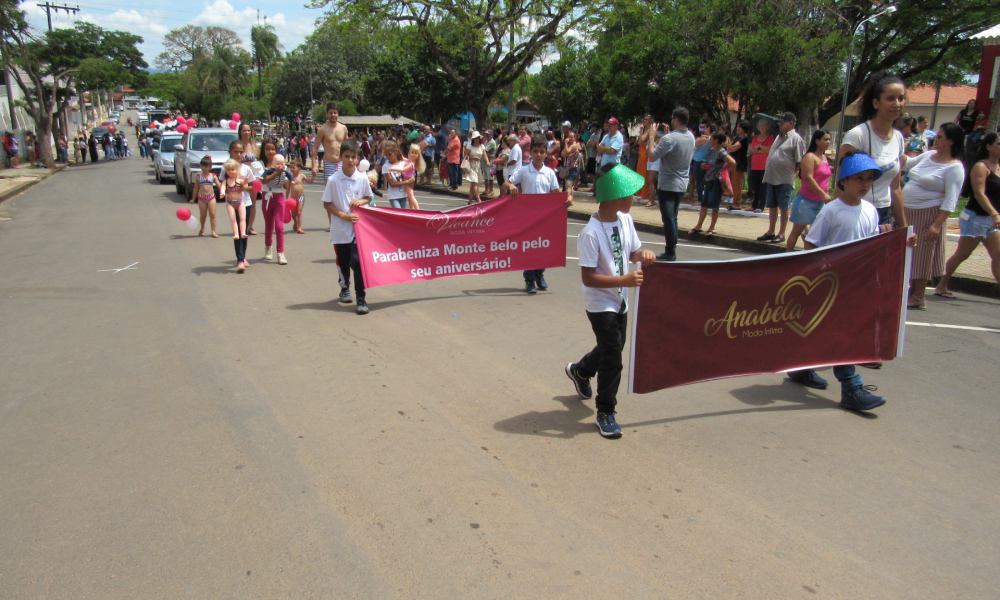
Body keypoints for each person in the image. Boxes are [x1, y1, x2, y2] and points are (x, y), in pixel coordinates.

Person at [785, 151, 917, 411]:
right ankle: (851, 387)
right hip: (830, 284)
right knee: (842, 334)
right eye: (859, 178)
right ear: (843, 181)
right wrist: (817, 277)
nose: (865, 184)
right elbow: (812, 244)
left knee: (827, 330)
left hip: (855, 285)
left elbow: (871, 243)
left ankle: (801, 368)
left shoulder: (870, 210)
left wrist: (902, 240)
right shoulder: (830, 211)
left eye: (869, 179)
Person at [564, 164, 656, 438]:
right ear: (615, 195)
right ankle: (606, 411)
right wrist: (624, 281)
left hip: (620, 301)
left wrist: (644, 254)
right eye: (629, 193)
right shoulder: (591, 233)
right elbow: (589, 278)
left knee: (611, 349)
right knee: (614, 357)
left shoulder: (624, 219)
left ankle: (581, 371)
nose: (634, 198)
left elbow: (633, 251)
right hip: (600, 304)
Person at [900, 123, 965, 309]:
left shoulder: (954, 167)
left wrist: (937, 224)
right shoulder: (928, 155)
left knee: (923, 254)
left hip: (928, 213)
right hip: (908, 211)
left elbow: (951, 199)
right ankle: (910, 291)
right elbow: (907, 164)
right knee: (909, 252)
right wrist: (895, 144)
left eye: (941, 137)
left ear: (951, 141)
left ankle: (919, 295)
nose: (936, 139)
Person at [502, 134, 571, 293]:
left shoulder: (549, 173)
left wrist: (566, 199)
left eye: (541, 151)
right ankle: (529, 279)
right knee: (530, 248)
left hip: (545, 219)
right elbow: (506, 184)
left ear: (546, 153)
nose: (539, 155)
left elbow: (556, 194)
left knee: (543, 248)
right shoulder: (524, 171)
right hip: (528, 218)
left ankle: (540, 274)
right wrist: (511, 186)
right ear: (530, 153)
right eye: (535, 151)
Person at [935, 132, 1000, 298]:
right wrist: (994, 213)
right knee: (962, 254)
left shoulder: (998, 167)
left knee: (998, 255)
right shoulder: (980, 167)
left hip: (992, 222)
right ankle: (941, 285)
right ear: (988, 146)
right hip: (975, 218)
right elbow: (979, 194)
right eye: (999, 143)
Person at [841, 72, 908, 230]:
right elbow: (842, 184)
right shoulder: (858, 135)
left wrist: (904, 227)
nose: (897, 104)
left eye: (901, 98)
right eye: (890, 98)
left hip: (883, 214)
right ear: (876, 103)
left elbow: (896, 189)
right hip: (857, 213)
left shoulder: (898, 137)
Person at [322, 140, 374, 315]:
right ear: (340, 157)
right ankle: (344, 288)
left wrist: (360, 201)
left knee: (358, 263)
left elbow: (368, 197)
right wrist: (343, 216)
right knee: (343, 262)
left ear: (358, 159)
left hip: (358, 230)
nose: (350, 160)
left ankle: (361, 298)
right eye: (347, 156)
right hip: (340, 229)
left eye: (354, 157)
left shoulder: (362, 178)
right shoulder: (333, 180)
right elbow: (327, 204)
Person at [648, 107, 696, 261]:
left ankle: (670, 251)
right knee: (673, 217)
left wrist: (651, 137)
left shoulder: (669, 139)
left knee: (668, 218)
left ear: (676, 120)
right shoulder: (691, 136)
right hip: (682, 183)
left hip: (668, 183)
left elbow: (652, 156)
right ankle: (672, 248)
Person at [756, 112, 805, 244]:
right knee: (772, 205)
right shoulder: (778, 137)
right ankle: (771, 231)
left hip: (785, 178)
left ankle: (782, 233)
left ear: (790, 123)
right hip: (772, 177)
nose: (780, 124)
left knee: (784, 206)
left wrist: (793, 173)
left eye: (783, 122)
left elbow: (799, 160)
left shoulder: (796, 139)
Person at [786, 129, 832, 251]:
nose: (828, 142)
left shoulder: (824, 158)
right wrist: (824, 194)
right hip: (806, 202)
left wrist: (826, 195)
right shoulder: (810, 157)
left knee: (816, 233)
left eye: (829, 139)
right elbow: (808, 178)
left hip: (820, 202)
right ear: (817, 141)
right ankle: (787, 257)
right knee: (797, 231)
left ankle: (811, 255)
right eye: (825, 139)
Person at [689, 132, 735, 237]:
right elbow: (710, 163)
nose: (710, 141)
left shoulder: (721, 152)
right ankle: (699, 225)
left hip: (716, 181)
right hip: (708, 179)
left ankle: (712, 227)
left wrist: (722, 169)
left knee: (714, 205)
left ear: (716, 141)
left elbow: (732, 162)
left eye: (712, 139)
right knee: (704, 203)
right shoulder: (711, 151)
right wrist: (705, 166)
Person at [226, 140, 257, 272]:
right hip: (233, 204)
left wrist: (245, 187)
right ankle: (239, 260)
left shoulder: (246, 168)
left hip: (246, 202)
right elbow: (222, 184)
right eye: (235, 152)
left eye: (241, 152)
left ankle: (243, 256)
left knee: (243, 231)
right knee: (237, 231)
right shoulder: (227, 168)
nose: (238, 154)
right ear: (230, 152)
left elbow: (254, 185)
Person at [259, 138, 289, 265]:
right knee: (269, 225)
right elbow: (263, 180)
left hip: (279, 197)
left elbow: (286, 186)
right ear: (263, 150)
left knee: (279, 226)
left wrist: (286, 175)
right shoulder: (260, 164)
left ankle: (280, 253)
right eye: (267, 149)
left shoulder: (282, 165)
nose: (270, 152)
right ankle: (268, 248)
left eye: (272, 149)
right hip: (267, 197)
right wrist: (277, 173)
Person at [221, 159, 250, 272]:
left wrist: (246, 179)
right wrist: (222, 192)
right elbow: (222, 187)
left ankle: (242, 232)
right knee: (233, 220)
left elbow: (245, 184)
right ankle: (236, 233)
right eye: (228, 170)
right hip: (230, 202)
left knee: (242, 219)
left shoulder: (239, 180)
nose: (231, 171)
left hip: (240, 201)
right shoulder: (226, 181)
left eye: (233, 169)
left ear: (237, 170)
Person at [311, 103, 349, 182]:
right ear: (327, 114)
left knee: (343, 189)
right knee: (330, 190)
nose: (333, 115)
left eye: (335, 113)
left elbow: (348, 146)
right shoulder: (322, 130)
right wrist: (314, 165)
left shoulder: (343, 128)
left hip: (342, 162)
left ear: (338, 113)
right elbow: (315, 148)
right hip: (329, 163)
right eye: (331, 113)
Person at [238, 122, 262, 235]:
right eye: (244, 130)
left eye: (248, 130)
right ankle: (241, 225)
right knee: (240, 201)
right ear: (240, 132)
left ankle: (250, 227)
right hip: (241, 177)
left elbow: (260, 161)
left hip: (253, 178)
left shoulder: (255, 146)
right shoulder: (237, 145)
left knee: (252, 202)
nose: (247, 132)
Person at [746, 119, 774, 212]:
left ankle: (761, 206)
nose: (763, 127)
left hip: (764, 166)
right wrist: (761, 150)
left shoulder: (770, 137)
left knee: (763, 187)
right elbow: (751, 151)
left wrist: (760, 147)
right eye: (761, 126)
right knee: (755, 186)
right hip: (754, 166)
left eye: (765, 125)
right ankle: (754, 205)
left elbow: (769, 151)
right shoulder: (755, 138)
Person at [189, 156, 220, 238]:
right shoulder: (198, 176)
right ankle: (202, 228)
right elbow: (196, 188)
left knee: (212, 214)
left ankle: (213, 231)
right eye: (202, 166)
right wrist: (193, 198)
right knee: (203, 215)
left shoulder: (213, 175)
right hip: (201, 198)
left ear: (210, 167)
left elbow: (219, 185)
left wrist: (224, 191)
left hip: (211, 197)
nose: (203, 168)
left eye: (205, 166)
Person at [285, 158, 314, 235]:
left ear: (299, 168)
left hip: (301, 197)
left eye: (294, 167)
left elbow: (310, 182)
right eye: (291, 167)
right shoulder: (290, 177)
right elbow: (288, 188)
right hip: (292, 199)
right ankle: (296, 222)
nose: (292, 169)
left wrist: (313, 176)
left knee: (299, 212)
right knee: (294, 215)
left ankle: (299, 228)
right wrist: (286, 198)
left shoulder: (302, 176)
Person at [687, 123, 714, 204]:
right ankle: (705, 198)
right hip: (706, 160)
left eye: (705, 128)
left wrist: (700, 137)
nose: (704, 130)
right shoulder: (712, 139)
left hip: (699, 161)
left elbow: (692, 143)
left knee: (699, 182)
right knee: (704, 181)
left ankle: (700, 200)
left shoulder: (703, 139)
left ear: (708, 128)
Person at [381, 140, 413, 209]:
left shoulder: (404, 164)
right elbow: (392, 183)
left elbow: (410, 176)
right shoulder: (386, 166)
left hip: (403, 195)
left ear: (396, 152)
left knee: (402, 214)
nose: (387, 156)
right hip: (393, 196)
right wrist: (406, 182)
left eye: (390, 154)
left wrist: (412, 179)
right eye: (386, 155)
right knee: (398, 212)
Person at [726, 120, 750, 210]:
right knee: (733, 182)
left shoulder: (744, 138)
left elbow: (734, 147)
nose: (738, 128)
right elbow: (729, 148)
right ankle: (734, 201)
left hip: (740, 163)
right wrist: (730, 148)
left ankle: (737, 203)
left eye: (740, 127)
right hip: (733, 163)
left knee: (737, 183)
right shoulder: (736, 137)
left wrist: (730, 148)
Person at [464, 131, 487, 204]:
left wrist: (488, 162)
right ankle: (478, 199)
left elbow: (485, 155)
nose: (477, 139)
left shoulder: (482, 146)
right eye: (475, 138)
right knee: (475, 183)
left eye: (478, 138)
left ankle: (470, 200)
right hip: (471, 165)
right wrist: (473, 157)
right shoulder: (469, 146)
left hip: (478, 166)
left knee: (473, 183)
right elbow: (465, 156)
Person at [561, 130, 582, 205]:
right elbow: (563, 154)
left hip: (573, 167)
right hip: (567, 167)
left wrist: (566, 144)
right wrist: (566, 147)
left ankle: (567, 199)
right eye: (569, 137)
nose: (570, 139)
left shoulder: (575, 145)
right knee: (570, 186)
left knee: (568, 184)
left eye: (571, 137)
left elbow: (567, 152)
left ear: (575, 138)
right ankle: (571, 200)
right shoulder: (569, 145)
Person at [482, 130, 497, 198]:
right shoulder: (486, 141)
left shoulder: (492, 142)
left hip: (490, 161)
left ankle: (491, 190)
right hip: (484, 161)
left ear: (491, 135)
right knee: (485, 176)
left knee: (490, 177)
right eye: (486, 134)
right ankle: (486, 190)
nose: (487, 135)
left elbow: (485, 150)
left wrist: (484, 152)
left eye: (488, 134)